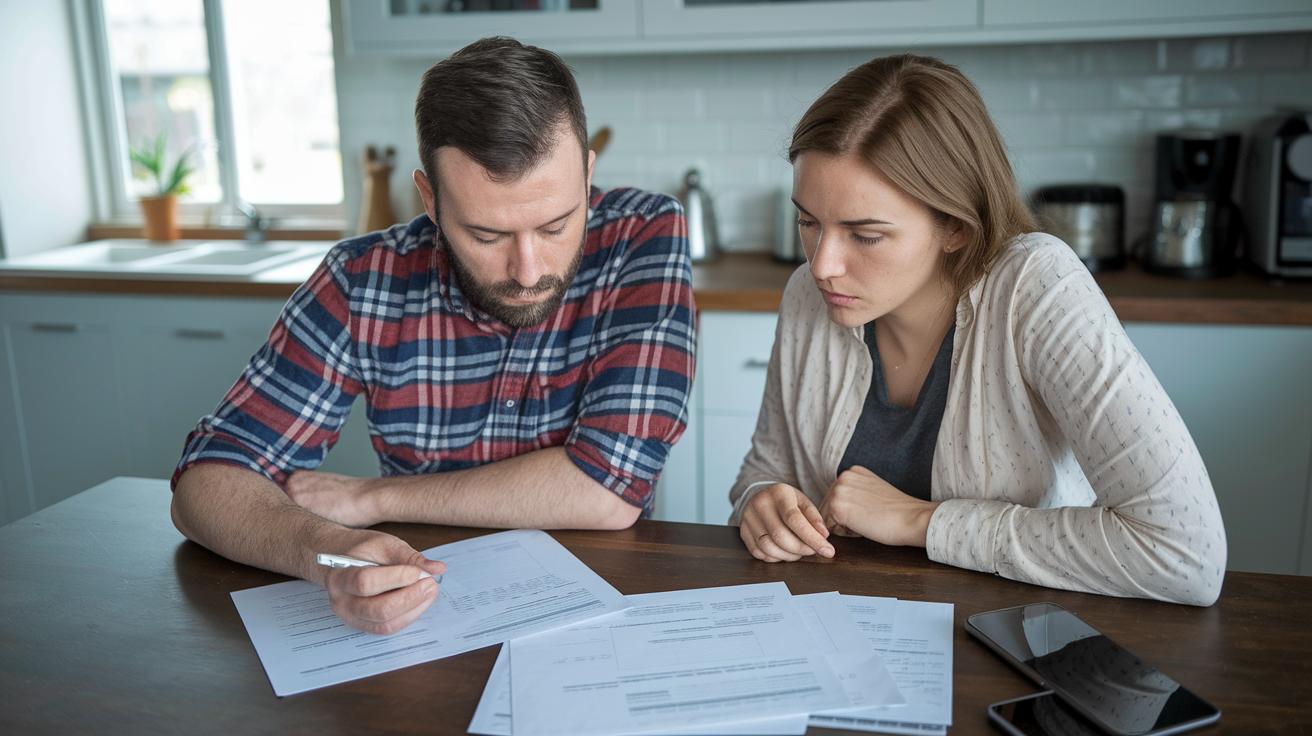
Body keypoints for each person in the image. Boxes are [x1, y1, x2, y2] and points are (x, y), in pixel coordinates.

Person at [170, 37, 696, 634]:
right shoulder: (362, 280)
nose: (528, 272)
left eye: (555, 225)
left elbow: (607, 491)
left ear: (587, 173)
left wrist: (376, 499)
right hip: (421, 621)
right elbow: (208, 479)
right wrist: (327, 554)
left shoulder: (644, 235)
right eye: (487, 235)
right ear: (430, 198)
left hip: (597, 615)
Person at [729, 54, 1226, 606]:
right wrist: (760, 501)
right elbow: (767, 467)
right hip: (847, 625)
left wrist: (923, 522)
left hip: (1025, 634)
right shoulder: (807, 294)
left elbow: (1186, 553)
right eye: (807, 221)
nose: (822, 264)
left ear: (956, 228)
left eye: (864, 235)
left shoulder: (1036, 287)